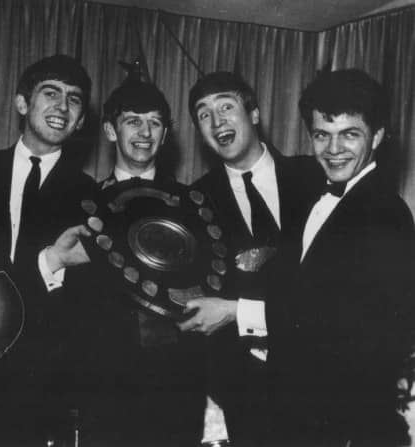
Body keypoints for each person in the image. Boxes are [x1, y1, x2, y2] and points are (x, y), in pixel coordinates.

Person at [186, 68, 415, 446]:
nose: (334, 148)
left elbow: (342, 321)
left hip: (347, 422)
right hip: (292, 411)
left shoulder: (384, 213)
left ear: (377, 137)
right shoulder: (325, 202)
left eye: (350, 135)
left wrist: (233, 311)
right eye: (322, 135)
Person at [178, 71, 323, 445]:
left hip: (321, 377)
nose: (217, 120)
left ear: (254, 114)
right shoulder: (193, 202)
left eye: (226, 106)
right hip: (243, 391)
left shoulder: (315, 175)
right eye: (204, 114)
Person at [0, 54, 99, 444]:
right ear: (22, 104)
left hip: (40, 382)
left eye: (74, 99)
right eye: (51, 93)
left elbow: (82, 306)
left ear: (80, 122)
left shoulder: (92, 197)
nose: (62, 106)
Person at [77, 79, 205, 445]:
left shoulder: (193, 205)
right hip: (102, 376)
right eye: (133, 120)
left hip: (177, 379)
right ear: (110, 130)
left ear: (166, 135)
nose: (145, 132)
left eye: (155, 122)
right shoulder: (82, 200)